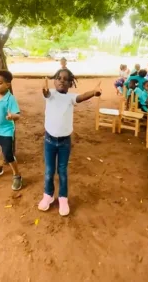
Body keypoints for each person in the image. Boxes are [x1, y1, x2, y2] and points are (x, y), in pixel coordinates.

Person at [39, 69, 102, 216]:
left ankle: (63, 198)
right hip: (49, 141)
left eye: (66, 79)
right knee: (49, 171)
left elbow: (81, 97)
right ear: (54, 81)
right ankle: (48, 196)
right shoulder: (50, 95)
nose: (61, 80)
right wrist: (44, 89)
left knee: (62, 171)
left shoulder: (70, 98)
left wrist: (94, 92)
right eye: (58, 78)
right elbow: (45, 93)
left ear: (70, 83)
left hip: (64, 143)